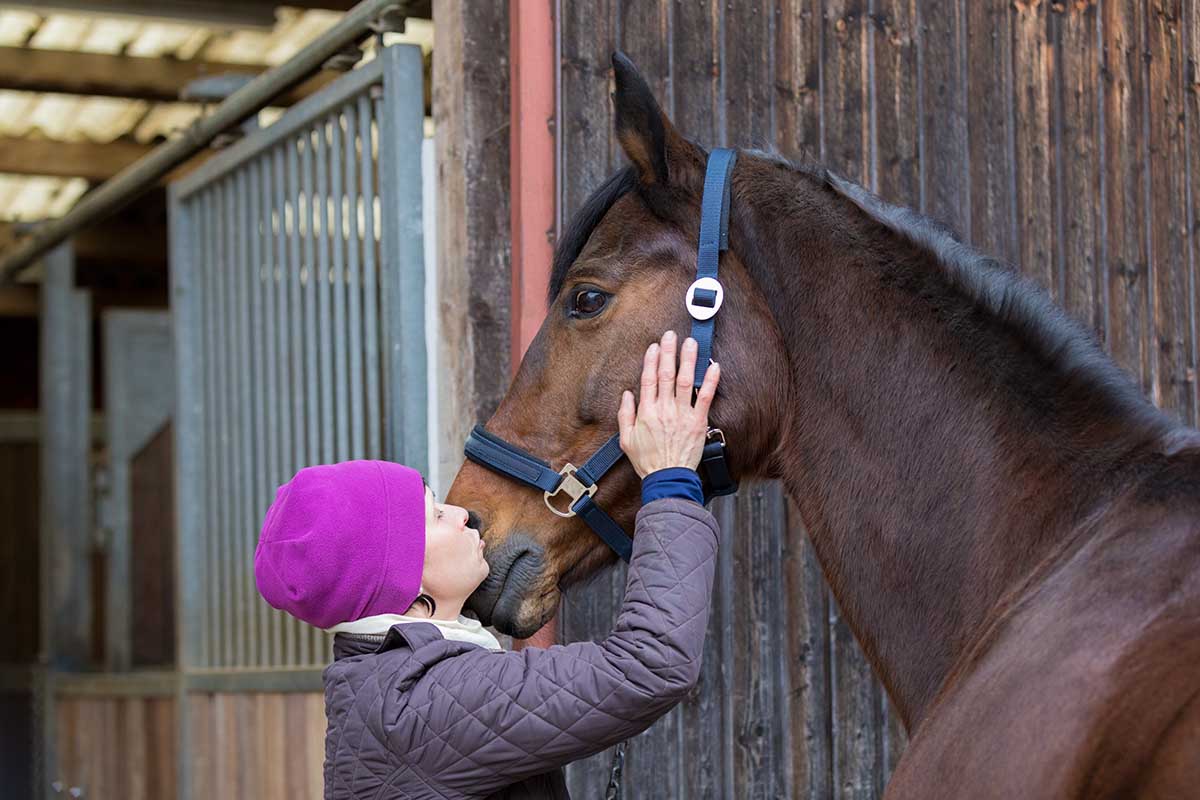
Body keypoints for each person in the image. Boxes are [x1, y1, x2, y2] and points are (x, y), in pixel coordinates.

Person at [254, 331, 722, 799]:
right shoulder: (425, 702)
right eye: (435, 515)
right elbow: (648, 665)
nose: (461, 515)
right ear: (412, 596)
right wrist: (669, 477)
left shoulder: (391, 689)